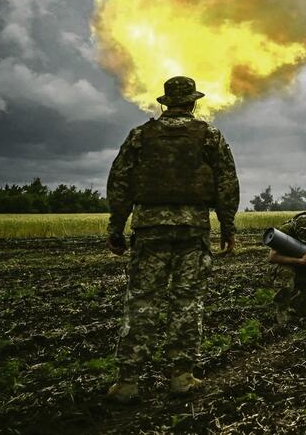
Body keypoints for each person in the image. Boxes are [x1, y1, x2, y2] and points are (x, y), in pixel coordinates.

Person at [104, 76, 239, 403]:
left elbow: (119, 182)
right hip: (192, 230)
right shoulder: (210, 136)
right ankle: (180, 376)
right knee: (186, 300)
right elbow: (226, 182)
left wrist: (116, 227)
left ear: (165, 103)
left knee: (142, 299)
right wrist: (227, 226)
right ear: (193, 102)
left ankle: (127, 382)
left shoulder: (140, 136)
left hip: (150, 229)